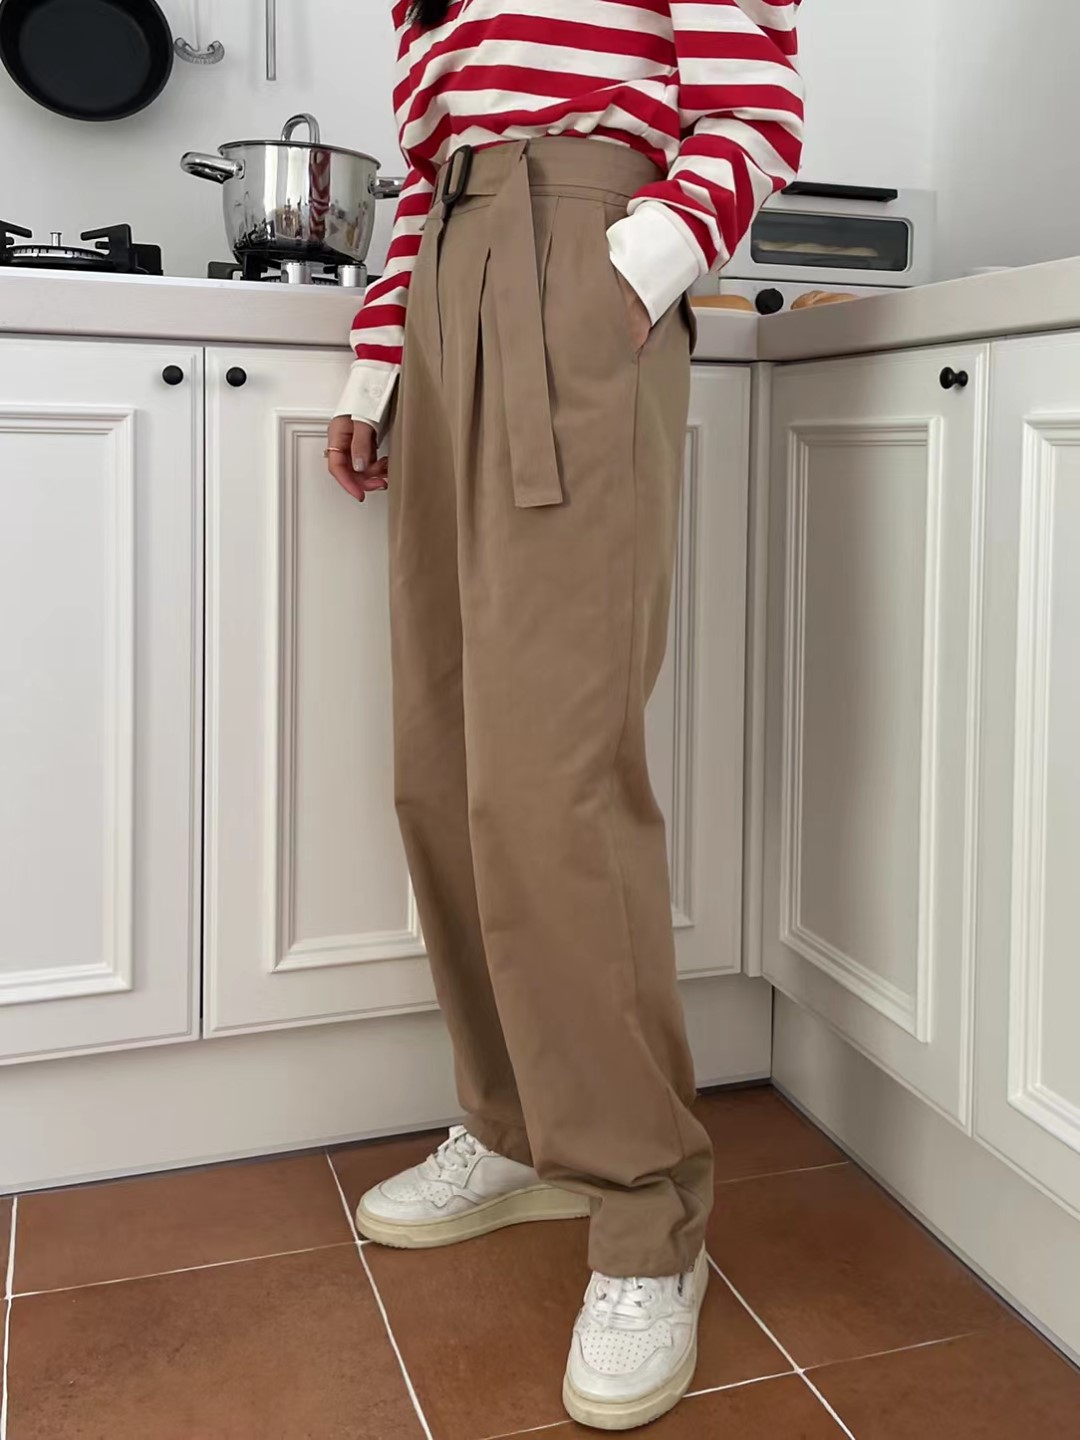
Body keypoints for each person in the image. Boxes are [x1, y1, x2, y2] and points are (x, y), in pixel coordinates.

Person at [325, 0, 804, 1428]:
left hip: (582, 273)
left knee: (552, 781)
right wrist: (380, 360)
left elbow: (756, 113)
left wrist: (626, 274)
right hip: (449, 288)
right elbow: (430, 171)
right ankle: (516, 1125)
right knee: (443, 764)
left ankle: (646, 1209)